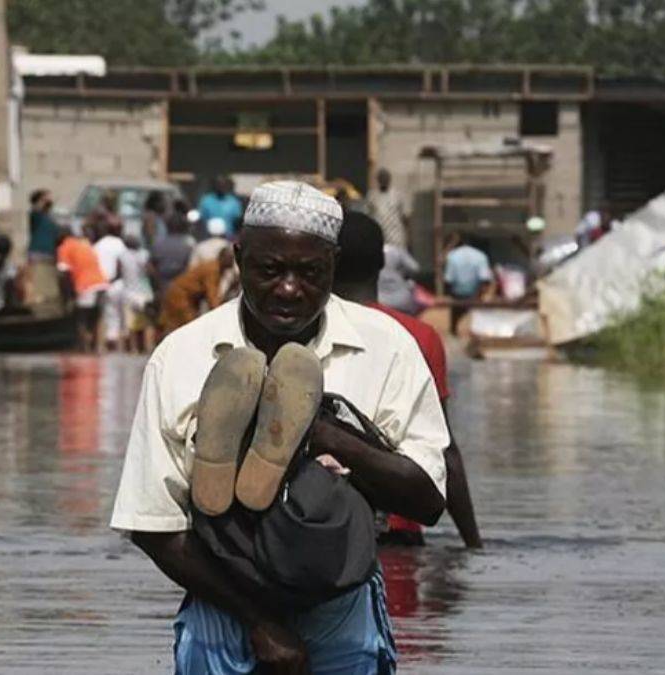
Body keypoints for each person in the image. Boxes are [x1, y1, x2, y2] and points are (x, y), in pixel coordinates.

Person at [112, 180, 450, 674]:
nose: (289, 288)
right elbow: (152, 524)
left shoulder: (387, 347)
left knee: (327, 484)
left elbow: (426, 501)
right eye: (270, 270)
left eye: (309, 273)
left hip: (340, 595)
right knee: (222, 517)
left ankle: (299, 437)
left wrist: (322, 434)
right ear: (238, 258)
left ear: (333, 265)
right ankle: (246, 464)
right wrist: (260, 621)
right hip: (225, 599)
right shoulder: (181, 356)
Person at [333, 210, 483, 549]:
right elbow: (444, 448)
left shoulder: (304, 330)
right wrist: (473, 542)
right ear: (381, 264)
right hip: (399, 530)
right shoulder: (419, 336)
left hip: (320, 528)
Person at [157, 246, 234, 336]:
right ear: (222, 258)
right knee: (188, 328)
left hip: (187, 298)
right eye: (230, 258)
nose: (232, 262)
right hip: (181, 296)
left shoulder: (217, 268)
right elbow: (212, 298)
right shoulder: (213, 269)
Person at [56, 226, 108, 352]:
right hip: (102, 282)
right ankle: (98, 347)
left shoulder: (64, 247)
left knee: (81, 317)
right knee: (97, 316)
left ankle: (84, 348)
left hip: (85, 285)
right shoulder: (84, 244)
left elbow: (64, 274)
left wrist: (67, 295)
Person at [94, 220, 128, 351]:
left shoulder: (98, 245)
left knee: (108, 315)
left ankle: (108, 342)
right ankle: (120, 345)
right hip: (118, 284)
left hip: (102, 285)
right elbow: (122, 264)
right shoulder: (120, 244)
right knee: (121, 315)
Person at [148, 209, 196, 303]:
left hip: (163, 286)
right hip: (183, 288)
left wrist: (156, 287)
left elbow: (151, 268)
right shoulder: (189, 243)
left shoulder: (158, 243)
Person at [119, 235, 155, 352]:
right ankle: (148, 347)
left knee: (131, 324)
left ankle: (133, 348)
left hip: (129, 292)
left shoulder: (122, 256)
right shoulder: (144, 254)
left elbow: (118, 272)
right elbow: (150, 271)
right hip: (144, 292)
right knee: (147, 322)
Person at [367, 168, 409, 251]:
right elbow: (369, 217)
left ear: (389, 179)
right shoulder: (372, 196)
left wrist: (409, 239)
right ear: (378, 180)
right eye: (381, 178)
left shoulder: (397, 195)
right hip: (379, 239)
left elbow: (405, 218)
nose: (384, 180)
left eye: (385, 178)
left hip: (396, 239)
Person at [444, 234, 493, 300]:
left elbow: (448, 280)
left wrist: (452, 296)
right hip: (475, 296)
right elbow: (484, 279)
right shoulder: (481, 256)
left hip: (457, 296)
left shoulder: (452, 256)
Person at [378, 243, 421, 314]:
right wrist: (402, 273)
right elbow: (415, 268)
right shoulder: (397, 251)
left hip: (380, 300)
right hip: (402, 300)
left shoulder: (370, 252)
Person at [28, 189, 59, 260]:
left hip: (50, 253)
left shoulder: (49, 217)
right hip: (37, 253)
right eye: (43, 200)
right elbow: (37, 207)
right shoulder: (35, 214)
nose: (47, 201)